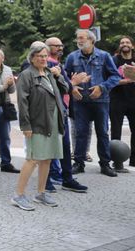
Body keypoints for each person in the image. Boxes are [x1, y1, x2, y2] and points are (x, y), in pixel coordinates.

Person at [12, 42, 67, 211]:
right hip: (37, 122)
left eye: (45, 56)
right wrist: (26, 126)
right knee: (33, 159)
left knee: (48, 158)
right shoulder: (26, 75)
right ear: (32, 58)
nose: (43, 59)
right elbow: (22, 103)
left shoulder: (50, 73)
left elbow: (65, 89)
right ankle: (18, 195)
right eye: (40, 56)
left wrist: (59, 76)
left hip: (53, 121)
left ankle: (41, 193)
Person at [65, 29, 121, 177]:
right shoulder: (72, 57)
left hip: (100, 101)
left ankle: (105, 164)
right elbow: (64, 78)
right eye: (77, 38)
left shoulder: (104, 56)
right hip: (80, 102)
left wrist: (102, 88)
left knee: (102, 132)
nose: (79, 40)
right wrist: (72, 88)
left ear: (91, 40)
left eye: (82, 38)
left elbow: (115, 76)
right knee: (80, 132)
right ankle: (78, 163)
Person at [44, 37, 88, 193]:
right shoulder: (44, 63)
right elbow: (50, 87)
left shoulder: (58, 65)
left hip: (62, 109)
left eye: (61, 45)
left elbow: (66, 87)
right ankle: (46, 180)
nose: (60, 48)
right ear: (47, 47)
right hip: (49, 111)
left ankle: (67, 179)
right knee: (49, 147)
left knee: (65, 145)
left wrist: (71, 83)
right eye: (56, 46)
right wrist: (72, 83)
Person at [111, 36, 135, 170]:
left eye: (127, 42)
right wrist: (123, 81)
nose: (124, 44)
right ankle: (117, 161)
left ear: (132, 46)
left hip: (133, 100)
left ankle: (134, 161)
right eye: (122, 42)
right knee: (115, 131)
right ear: (119, 46)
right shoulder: (113, 60)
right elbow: (108, 79)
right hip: (117, 100)